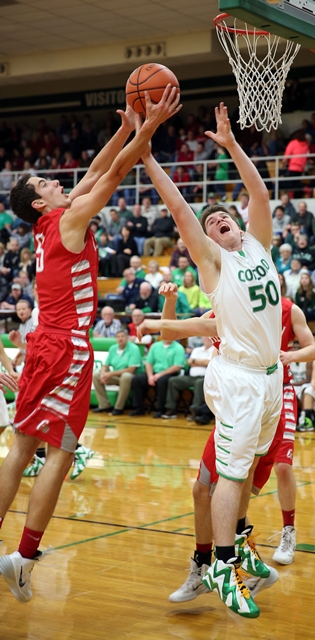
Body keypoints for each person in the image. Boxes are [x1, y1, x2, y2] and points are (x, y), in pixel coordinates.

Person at [0, 85, 181, 604]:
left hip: (41, 344)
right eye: (47, 182)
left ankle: (15, 552)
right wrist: (150, 129)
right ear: (40, 201)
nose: (60, 182)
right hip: (67, 349)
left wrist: (125, 129)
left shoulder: (50, 222)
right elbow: (115, 176)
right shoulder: (70, 218)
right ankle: (25, 558)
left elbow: (93, 175)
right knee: (61, 449)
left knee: (21, 446)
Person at [141, 101, 286, 618]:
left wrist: (230, 145)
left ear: (239, 226)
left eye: (223, 216)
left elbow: (260, 193)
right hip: (240, 380)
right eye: (211, 222)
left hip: (272, 380)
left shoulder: (259, 249)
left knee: (241, 474)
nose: (217, 220)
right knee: (224, 477)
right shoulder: (214, 263)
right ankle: (221, 564)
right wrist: (147, 157)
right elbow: (181, 210)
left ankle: (235, 544)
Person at [140, 282, 315, 600]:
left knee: (235, 487)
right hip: (233, 409)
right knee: (205, 491)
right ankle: (217, 562)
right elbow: (173, 331)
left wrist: (286, 356)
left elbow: (312, 348)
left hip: (262, 405)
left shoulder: (279, 310)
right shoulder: (222, 310)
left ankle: (229, 559)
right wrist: (170, 301)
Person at [130, 338, 186, 418]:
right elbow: (148, 363)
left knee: (162, 381)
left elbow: (177, 366)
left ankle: (161, 409)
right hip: (154, 373)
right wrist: (150, 377)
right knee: (137, 379)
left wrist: (160, 374)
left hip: (170, 373)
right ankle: (138, 408)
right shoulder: (155, 346)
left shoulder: (178, 348)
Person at [92, 329, 143, 416]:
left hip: (133, 377)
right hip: (117, 376)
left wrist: (110, 374)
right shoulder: (113, 348)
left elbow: (131, 370)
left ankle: (119, 408)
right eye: (118, 337)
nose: (120, 339)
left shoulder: (134, 348)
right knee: (96, 375)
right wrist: (103, 374)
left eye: (122, 336)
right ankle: (104, 405)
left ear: (127, 338)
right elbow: (105, 365)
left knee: (126, 376)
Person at [162, 336, 214, 419]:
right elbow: (189, 362)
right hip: (191, 377)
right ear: (202, 339)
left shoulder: (214, 350)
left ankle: (195, 410)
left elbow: (210, 363)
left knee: (199, 383)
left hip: (205, 378)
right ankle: (170, 409)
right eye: (205, 337)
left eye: (209, 337)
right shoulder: (197, 350)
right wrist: (202, 362)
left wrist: (195, 361)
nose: (207, 339)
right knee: (173, 380)